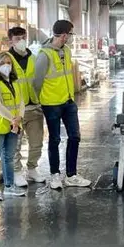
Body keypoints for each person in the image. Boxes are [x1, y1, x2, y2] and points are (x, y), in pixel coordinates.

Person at [33, 20, 91, 190]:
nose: (72, 37)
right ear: (64, 35)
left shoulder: (66, 50)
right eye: (71, 34)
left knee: (75, 136)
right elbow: (36, 82)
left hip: (68, 102)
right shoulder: (44, 55)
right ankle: (55, 175)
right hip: (51, 105)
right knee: (55, 139)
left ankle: (71, 175)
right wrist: (39, 101)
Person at [0, 52, 27, 202]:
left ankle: (9, 186)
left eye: (8, 63)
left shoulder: (15, 82)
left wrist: (19, 117)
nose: (6, 66)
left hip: (13, 125)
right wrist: (13, 119)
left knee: (9, 157)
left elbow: (21, 101)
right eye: (2, 63)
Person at [7, 27, 46, 186]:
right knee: (15, 143)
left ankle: (32, 169)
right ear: (10, 41)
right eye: (17, 39)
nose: (22, 41)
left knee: (36, 142)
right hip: (15, 110)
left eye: (23, 37)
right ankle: (16, 171)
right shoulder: (5, 60)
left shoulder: (34, 58)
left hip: (34, 106)